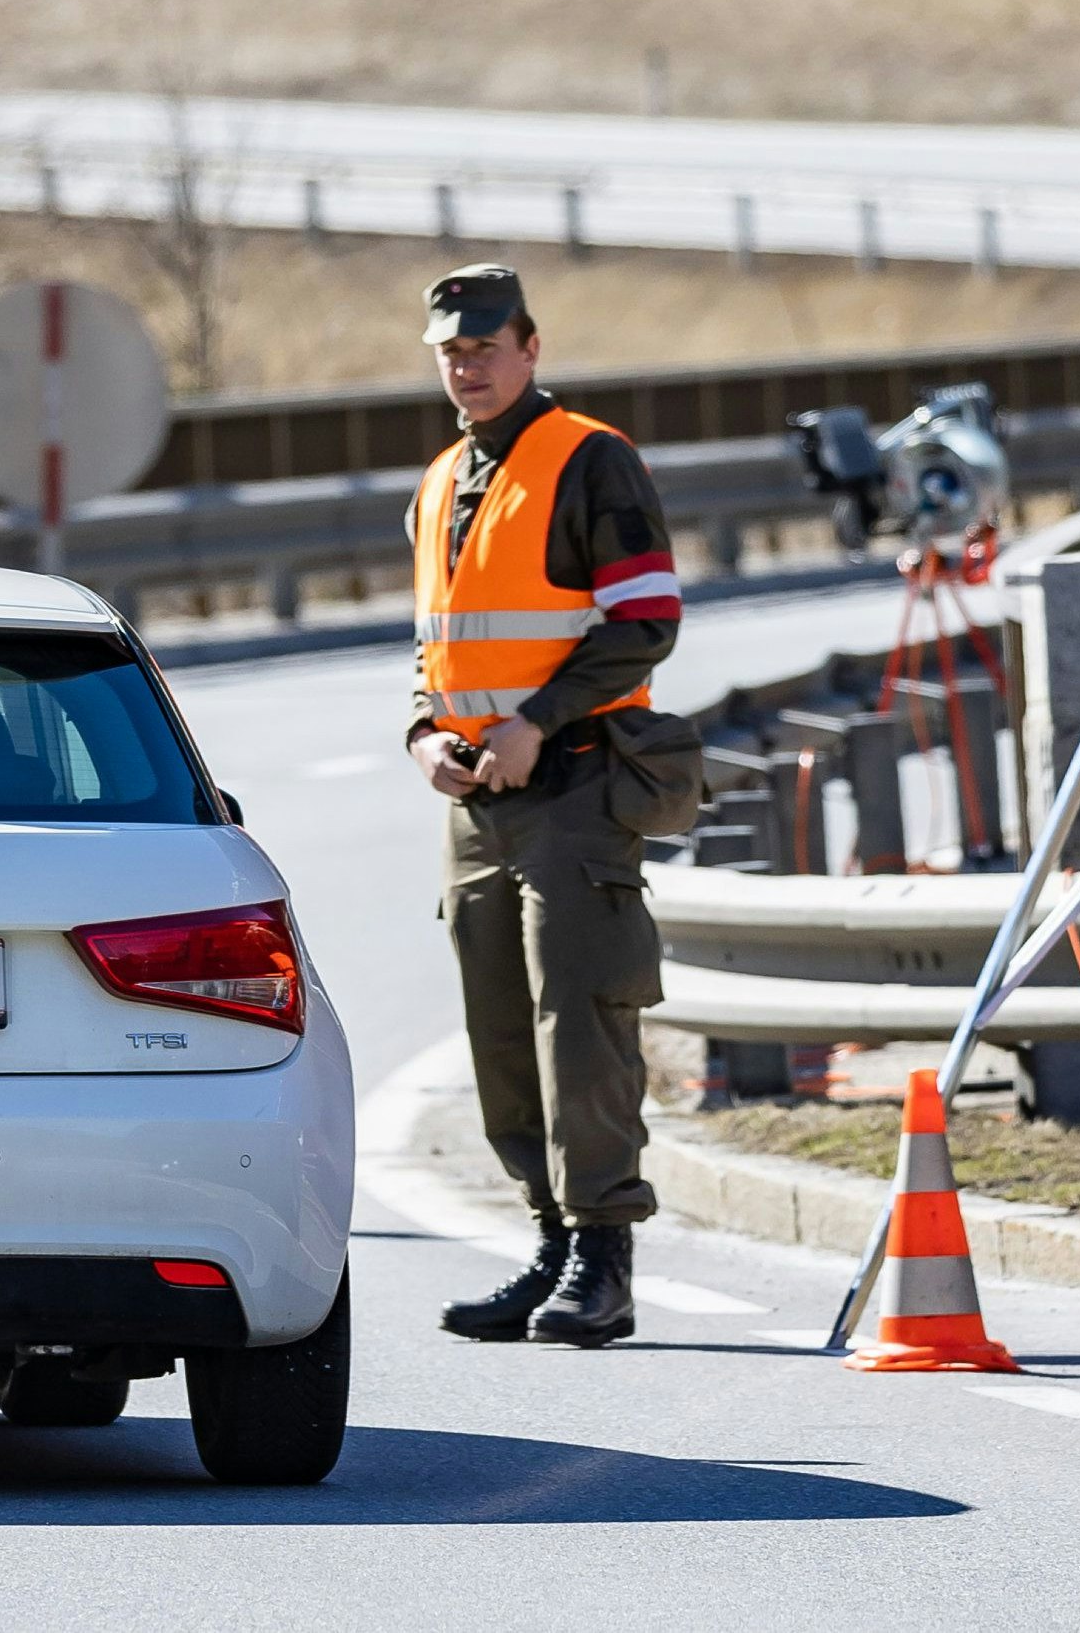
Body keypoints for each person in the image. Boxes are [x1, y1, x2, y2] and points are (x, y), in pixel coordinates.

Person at [403, 266, 683, 1351]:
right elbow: (434, 645)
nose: (465, 366)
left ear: (528, 347)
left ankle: (603, 1260)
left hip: (573, 778)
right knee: (499, 1028)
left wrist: (536, 719)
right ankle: (550, 1245)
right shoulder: (438, 479)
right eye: (449, 351)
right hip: (474, 793)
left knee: (582, 1022)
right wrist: (424, 730)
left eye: (484, 346)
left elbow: (645, 618)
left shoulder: (587, 458)